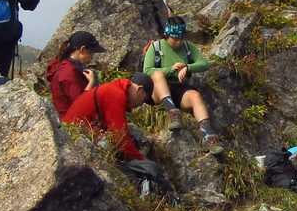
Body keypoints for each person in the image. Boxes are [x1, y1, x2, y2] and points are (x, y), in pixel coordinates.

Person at [143, 16, 220, 148]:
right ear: (167, 35)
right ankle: (173, 112)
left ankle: (208, 136)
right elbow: (147, 70)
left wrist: (187, 67)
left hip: (178, 89)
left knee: (195, 96)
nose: (178, 42)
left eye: (180, 38)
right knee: (158, 74)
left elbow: (204, 63)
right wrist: (170, 69)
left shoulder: (187, 47)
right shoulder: (155, 47)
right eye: (175, 39)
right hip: (158, 91)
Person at [61, 74, 155, 161]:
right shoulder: (116, 94)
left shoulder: (114, 89)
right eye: (144, 100)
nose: (140, 104)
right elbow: (119, 136)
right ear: (140, 90)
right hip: (72, 137)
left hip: (72, 132)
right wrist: (141, 160)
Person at [46, 30, 105, 118]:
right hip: (73, 121)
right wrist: (91, 82)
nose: (92, 57)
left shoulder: (69, 66)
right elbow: (80, 104)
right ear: (82, 50)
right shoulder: (68, 73)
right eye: (91, 52)